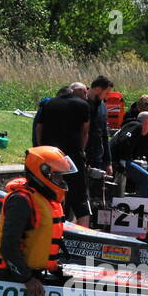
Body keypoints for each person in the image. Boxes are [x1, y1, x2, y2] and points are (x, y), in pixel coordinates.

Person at [0, 146, 76, 296]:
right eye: (58, 176)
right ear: (42, 174)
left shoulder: (44, 199)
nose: (62, 181)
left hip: (31, 273)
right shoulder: (21, 200)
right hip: (11, 277)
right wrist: (27, 279)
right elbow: (8, 246)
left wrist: (57, 271)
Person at [35, 81, 92, 225]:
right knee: (79, 196)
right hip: (72, 155)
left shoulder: (48, 104)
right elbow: (85, 132)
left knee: (51, 193)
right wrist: (82, 150)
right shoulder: (83, 106)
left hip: (51, 155)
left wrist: (42, 147)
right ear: (73, 92)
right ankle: (84, 231)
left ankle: (53, 227)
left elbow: (39, 128)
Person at [109, 111, 148, 197]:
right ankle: (144, 206)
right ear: (147, 122)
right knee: (146, 177)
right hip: (117, 159)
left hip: (114, 158)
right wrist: (123, 160)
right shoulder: (137, 126)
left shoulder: (129, 126)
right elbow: (124, 140)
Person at [84, 75, 114, 195]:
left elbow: (105, 135)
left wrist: (108, 162)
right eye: (106, 93)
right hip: (83, 156)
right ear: (97, 89)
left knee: (96, 195)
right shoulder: (82, 104)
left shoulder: (102, 107)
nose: (107, 97)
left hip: (97, 157)